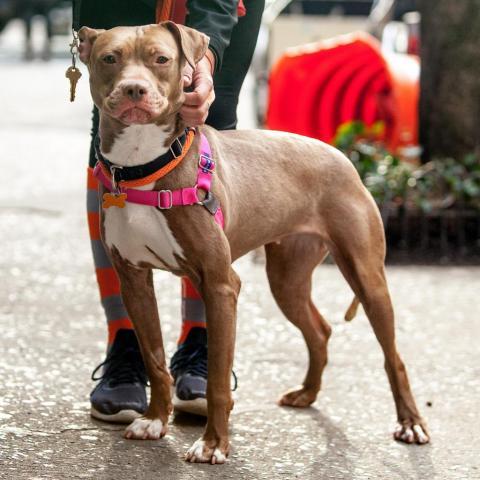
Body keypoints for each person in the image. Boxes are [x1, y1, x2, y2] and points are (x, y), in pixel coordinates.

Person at [74, 0, 264, 422]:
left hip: (220, 8)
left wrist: (205, 58)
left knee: (209, 118)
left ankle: (199, 341)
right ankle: (127, 340)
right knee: (112, 136)